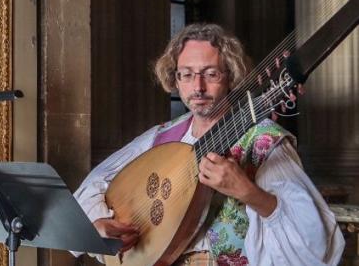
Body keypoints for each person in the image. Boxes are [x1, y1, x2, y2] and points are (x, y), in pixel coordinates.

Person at [74, 23, 345, 265]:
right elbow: (93, 185)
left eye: (211, 74)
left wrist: (249, 192)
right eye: (187, 75)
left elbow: (314, 245)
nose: (198, 87)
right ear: (175, 80)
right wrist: (97, 224)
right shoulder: (162, 137)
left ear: (231, 76)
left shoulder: (263, 141)